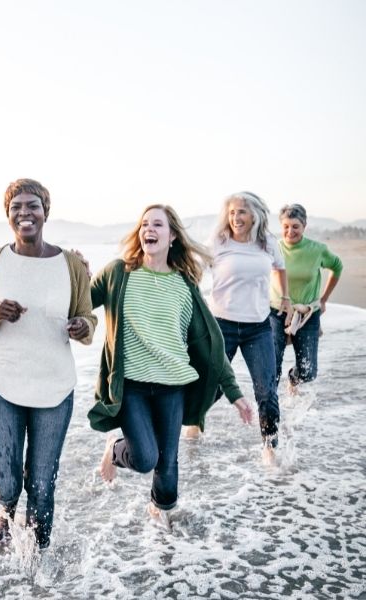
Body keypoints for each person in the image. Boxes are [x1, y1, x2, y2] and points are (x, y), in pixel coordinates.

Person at [88, 204, 252, 525]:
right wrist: (75, 272)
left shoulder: (184, 286)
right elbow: (80, 303)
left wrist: (234, 393)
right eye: (145, 224)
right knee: (146, 458)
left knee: (168, 464)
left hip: (173, 386)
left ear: (172, 235)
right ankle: (115, 447)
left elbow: (211, 345)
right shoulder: (119, 273)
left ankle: (160, 514)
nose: (149, 229)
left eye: (158, 224)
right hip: (132, 386)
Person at [0, 178, 96, 550]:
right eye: (16, 207)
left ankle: (38, 566)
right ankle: (4, 512)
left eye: (32, 205)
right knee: (7, 484)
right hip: (1, 384)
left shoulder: (70, 263)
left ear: (45, 212)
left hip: (54, 387)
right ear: (8, 215)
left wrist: (81, 326)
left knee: (42, 484)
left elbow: (88, 319)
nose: (25, 213)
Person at [206, 191, 291, 464]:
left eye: (241, 212)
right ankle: (193, 421)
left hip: (258, 327)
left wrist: (286, 298)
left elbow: (280, 268)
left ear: (254, 215)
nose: (236, 217)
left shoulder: (267, 244)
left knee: (266, 389)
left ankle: (270, 445)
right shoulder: (218, 242)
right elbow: (192, 269)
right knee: (212, 387)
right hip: (222, 326)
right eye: (231, 212)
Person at [269, 203, 343, 390]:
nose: (290, 231)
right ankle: (270, 408)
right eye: (286, 226)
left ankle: (293, 379)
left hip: (307, 313)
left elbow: (337, 267)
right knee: (272, 364)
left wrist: (324, 299)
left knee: (308, 371)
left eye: (295, 226)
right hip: (277, 312)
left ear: (304, 226)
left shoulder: (317, 249)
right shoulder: (274, 248)